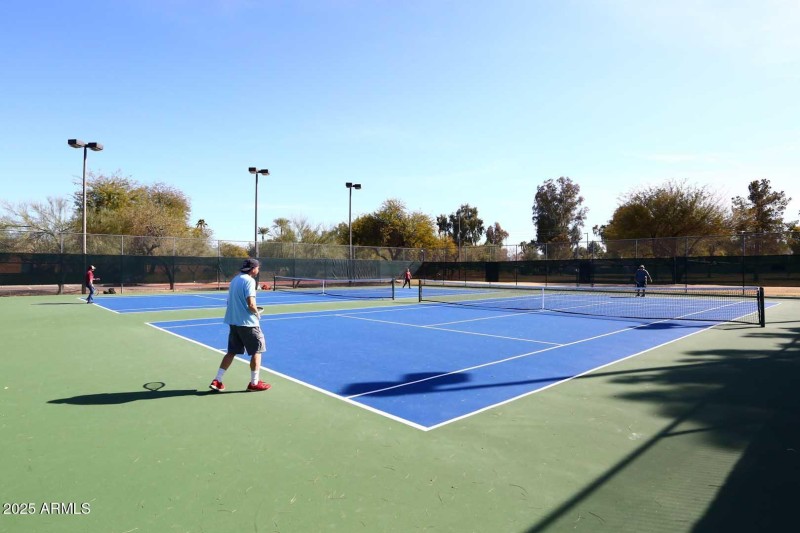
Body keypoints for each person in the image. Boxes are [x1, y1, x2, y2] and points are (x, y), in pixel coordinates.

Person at [209, 258, 271, 392]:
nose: (258, 269)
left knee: (231, 352)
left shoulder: (235, 280)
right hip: (248, 323)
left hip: (233, 322)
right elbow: (251, 304)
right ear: (253, 268)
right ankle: (254, 383)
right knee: (257, 351)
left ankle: (217, 380)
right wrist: (257, 314)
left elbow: (229, 302)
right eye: (257, 267)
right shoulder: (250, 281)